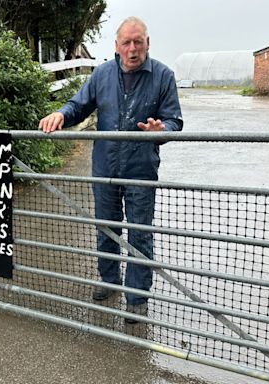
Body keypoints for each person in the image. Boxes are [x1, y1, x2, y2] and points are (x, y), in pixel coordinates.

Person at [39, 16, 183, 322]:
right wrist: (61, 114)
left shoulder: (163, 76)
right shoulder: (102, 74)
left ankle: (137, 297)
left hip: (141, 168)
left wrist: (162, 129)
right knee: (106, 226)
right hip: (105, 165)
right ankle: (109, 280)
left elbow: (174, 121)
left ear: (148, 43)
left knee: (139, 233)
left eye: (138, 42)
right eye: (126, 43)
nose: (133, 49)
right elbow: (78, 105)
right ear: (116, 46)